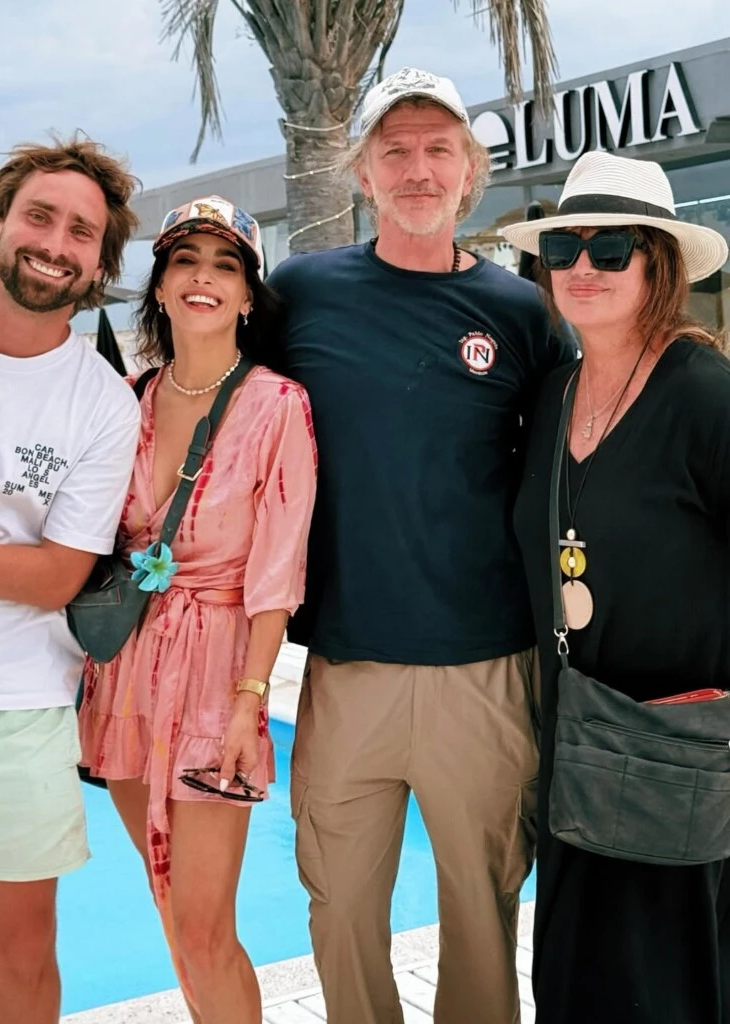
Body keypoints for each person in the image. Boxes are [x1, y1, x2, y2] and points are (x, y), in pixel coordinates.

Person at [267, 67, 577, 1024]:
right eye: (394, 150)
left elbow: (578, 469)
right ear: (362, 173)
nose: (417, 169)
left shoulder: (523, 313)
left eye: (439, 149)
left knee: (482, 910)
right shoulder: (301, 293)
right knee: (339, 908)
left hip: (484, 671)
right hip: (347, 664)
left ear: (469, 171)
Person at [78, 195, 317, 1024]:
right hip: (125, 671)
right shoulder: (128, 399)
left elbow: (278, 573)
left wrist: (252, 701)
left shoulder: (277, 405)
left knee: (206, 927)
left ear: (248, 295)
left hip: (218, 674)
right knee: (169, 909)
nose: (203, 278)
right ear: (160, 285)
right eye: (185, 260)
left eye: (225, 265)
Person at [504, 150, 730, 1024]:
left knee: (672, 987)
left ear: (657, 263)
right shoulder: (552, 396)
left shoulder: (704, 395)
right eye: (564, 250)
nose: (583, 268)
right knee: (576, 982)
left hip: (680, 758)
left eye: (611, 248)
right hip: (578, 747)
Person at [0, 137, 142, 1024]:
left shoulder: (104, 403)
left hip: (18, 702)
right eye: (39, 217)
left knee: (24, 956)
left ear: (99, 266)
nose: (56, 243)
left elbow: (57, 576)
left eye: (82, 232)